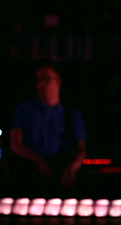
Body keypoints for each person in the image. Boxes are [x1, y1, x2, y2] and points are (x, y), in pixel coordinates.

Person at [9, 63, 88, 192]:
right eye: (39, 80)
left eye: (46, 79)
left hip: (61, 173)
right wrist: (40, 162)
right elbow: (15, 144)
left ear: (58, 81)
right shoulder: (25, 109)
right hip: (32, 174)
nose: (41, 84)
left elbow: (82, 149)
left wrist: (71, 169)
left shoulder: (71, 114)